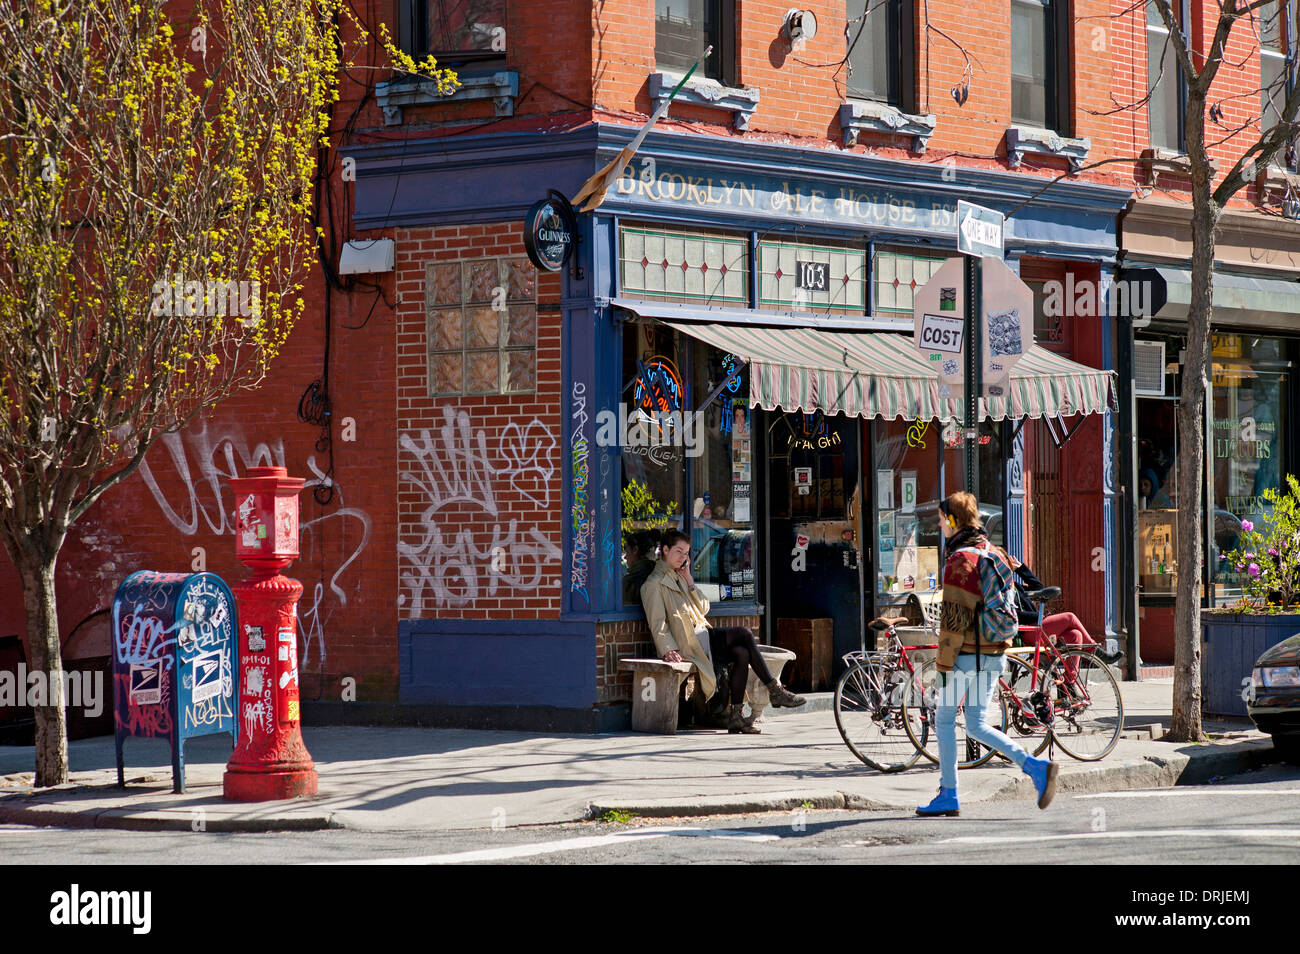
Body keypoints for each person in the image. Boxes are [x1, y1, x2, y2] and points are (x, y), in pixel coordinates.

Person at [916, 492, 1058, 817]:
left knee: (944, 719)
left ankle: (949, 793)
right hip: (996, 652)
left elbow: (953, 621)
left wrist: (942, 664)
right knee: (977, 724)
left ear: (953, 521)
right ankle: (1035, 767)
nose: (940, 526)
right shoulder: (995, 552)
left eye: (941, 520)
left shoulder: (960, 561)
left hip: (967, 654)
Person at [641, 529, 806, 733]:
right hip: (688, 642)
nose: (683, 557)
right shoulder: (653, 584)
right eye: (678, 551)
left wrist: (690, 581)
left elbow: (703, 608)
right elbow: (657, 622)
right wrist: (667, 649)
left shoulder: (679, 577)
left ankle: (736, 716)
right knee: (744, 633)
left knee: (742, 652)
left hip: (701, 637)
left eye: (686, 553)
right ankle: (774, 689)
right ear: (664, 550)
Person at [1006, 555, 1123, 665]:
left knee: (1075, 636)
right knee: (1069, 617)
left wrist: (1021, 569)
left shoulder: (1017, 587)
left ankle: (1069, 682)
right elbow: (1014, 614)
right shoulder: (1001, 591)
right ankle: (1094, 650)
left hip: (1037, 627)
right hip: (1027, 632)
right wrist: (1038, 616)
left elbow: (1039, 588)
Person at [622, 531, 659, 605]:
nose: (625, 557)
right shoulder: (661, 575)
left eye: (627, 552)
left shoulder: (629, 582)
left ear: (635, 549)